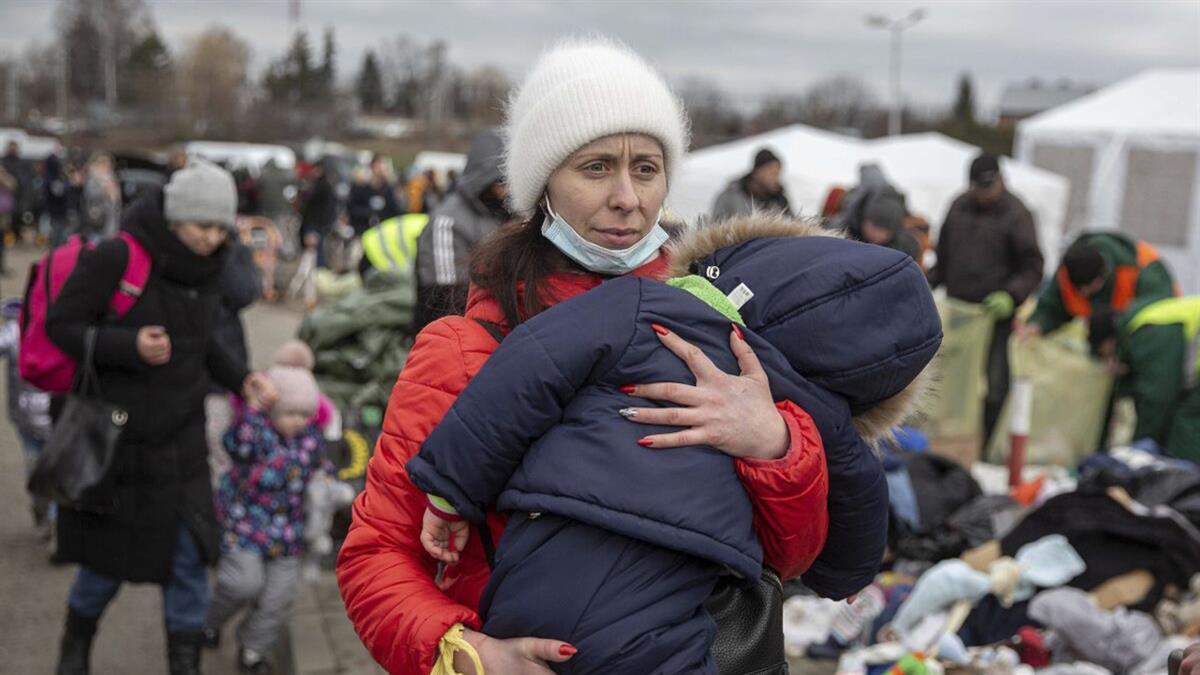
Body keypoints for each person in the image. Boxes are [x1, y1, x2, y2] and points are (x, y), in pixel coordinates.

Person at [337, 39, 894, 675]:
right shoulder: (463, 351)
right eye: (597, 167)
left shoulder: (721, 332)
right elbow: (376, 552)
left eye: (647, 168)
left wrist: (772, 443)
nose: (628, 198)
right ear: (542, 184)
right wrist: (463, 654)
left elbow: (794, 558)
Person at [408, 211, 940, 672]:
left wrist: (449, 491)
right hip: (665, 620)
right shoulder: (824, 425)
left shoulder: (640, 305)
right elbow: (846, 564)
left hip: (537, 580)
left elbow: (526, 369)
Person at [46, 161, 278, 675]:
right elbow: (60, 325)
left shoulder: (210, 266)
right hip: (122, 444)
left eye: (221, 229)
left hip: (182, 444)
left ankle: (185, 662)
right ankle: (74, 646)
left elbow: (203, 341)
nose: (211, 238)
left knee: (190, 561)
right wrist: (127, 345)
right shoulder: (118, 256)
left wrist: (243, 378)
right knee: (104, 567)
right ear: (176, 217)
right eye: (202, 226)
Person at [204, 365, 331, 675]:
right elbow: (234, 444)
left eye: (305, 414)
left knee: (278, 596)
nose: (299, 421)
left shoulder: (311, 440)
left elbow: (322, 468)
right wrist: (253, 410)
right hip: (245, 525)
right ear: (273, 410)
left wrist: (326, 483)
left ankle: (252, 649)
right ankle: (208, 622)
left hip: (287, 534)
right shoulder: (255, 432)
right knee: (242, 583)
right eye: (291, 413)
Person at [927, 153, 1044, 448]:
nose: (985, 196)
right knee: (951, 381)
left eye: (989, 189)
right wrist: (924, 284)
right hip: (958, 314)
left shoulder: (1017, 214)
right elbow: (944, 258)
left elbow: (1033, 265)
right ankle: (947, 439)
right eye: (979, 190)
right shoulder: (958, 206)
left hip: (995, 316)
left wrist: (1011, 294)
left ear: (1001, 182)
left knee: (994, 385)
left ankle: (983, 444)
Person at [413, 128, 510, 331]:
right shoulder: (447, 221)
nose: (508, 188)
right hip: (457, 334)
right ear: (484, 178)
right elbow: (443, 299)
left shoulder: (509, 214)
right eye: (501, 180)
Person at [1089, 296, 1199, 462]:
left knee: (1183, 430)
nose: (1110, 366)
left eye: (1106, 356)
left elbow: (1157, 400)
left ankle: (1188, 484)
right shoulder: (1140, 319)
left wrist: (1137, 452)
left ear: (1110, 342)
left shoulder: (1147, 335)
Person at [1023, 231, 1177, 339]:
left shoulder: (1144, 273)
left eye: (1088, 289)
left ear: (1102, 276)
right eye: (1078, 289)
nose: (1082, 294)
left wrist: (1121, 351)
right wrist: (1038, 325)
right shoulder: (1070, 271)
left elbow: (1158, 326)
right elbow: (1053, 307)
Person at [0, 298, 55, 540]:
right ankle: (49, 514)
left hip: (28, 415)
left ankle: (49, 515)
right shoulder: (61, 325)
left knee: (38, 467)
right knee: (51, 468)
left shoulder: (15, 330)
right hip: (49, 413)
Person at [709, 147, 792, 221]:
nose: (776, 178)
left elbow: (794, 227)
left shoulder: (780, 200)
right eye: (772, 173)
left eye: (778, 174)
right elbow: (715, 229)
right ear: (757, 172)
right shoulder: (729, 197)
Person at [846, 192, 921, 262]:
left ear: (893, 230)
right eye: (873, 226)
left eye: (884, 230)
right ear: (863, 219)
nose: (876, 234)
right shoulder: (845, 236)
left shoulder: (905, 249)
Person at [346, 154, 399, 236]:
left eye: (382, 167)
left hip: (383, 233)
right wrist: (369, 213)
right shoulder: (361, 187)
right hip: (363, 231)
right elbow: (352, 208)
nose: (380, 170)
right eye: (377, 166)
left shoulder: (389, 190)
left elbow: (395, 211)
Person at [299, 159, 337, 268]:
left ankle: (318, 272)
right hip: (317, 222)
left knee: (316, 251)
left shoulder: (321, 186)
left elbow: (308, 199)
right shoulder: (322, 185)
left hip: (316, 223)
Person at [81, 154, 123, 240]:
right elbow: (90, 194)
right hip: (98, 215)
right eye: (104, 163)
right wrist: (105, 190)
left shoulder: (111, 177)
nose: (107, 166)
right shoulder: (93, 178)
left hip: (111, 216)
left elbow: (116, 198)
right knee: (97, 240)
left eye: (109, 164)